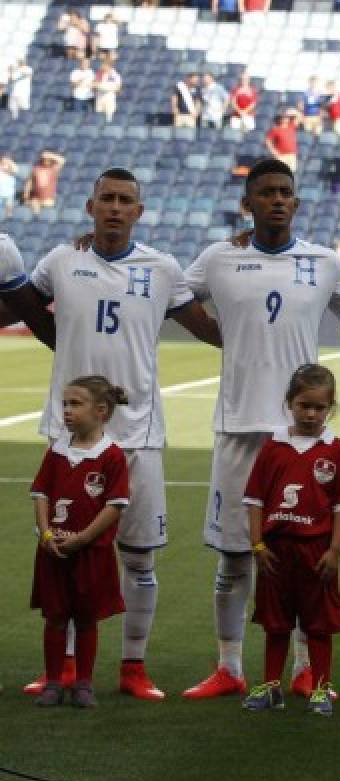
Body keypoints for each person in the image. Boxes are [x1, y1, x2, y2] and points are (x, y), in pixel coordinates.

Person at [16, 168, 222, 702]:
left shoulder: (163, 268)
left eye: (124, 200)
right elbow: (24, 308)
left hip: (137, 436)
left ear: (139, 211)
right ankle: (59, 669)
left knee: (139, 556)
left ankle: (133, 666)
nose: (114, 207)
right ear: (89, 207)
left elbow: (208, 327)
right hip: (69, 438)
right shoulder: (62, 261)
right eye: (105, 198)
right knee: (62, 552)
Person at [181, 159, 340, 700]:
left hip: (301, 438)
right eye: (264, 192)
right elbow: (169, 292)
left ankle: (303, 669)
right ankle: (229, 667)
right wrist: (218, 335)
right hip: (239, 429)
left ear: (296, 203)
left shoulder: (324, 262)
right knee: (233, 555)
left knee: (303, 556)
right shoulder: (220, 257)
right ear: (248, 203)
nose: (275, 200)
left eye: (284, 192)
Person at [241, 365, 340, 716]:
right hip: (276, 552)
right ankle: (270, 685)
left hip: (316, 552)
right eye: (303, 405)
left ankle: (321, 688)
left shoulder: (337, 451)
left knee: (318, 624)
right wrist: (258, 545)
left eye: (319, 407)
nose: (310, 414)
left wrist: (335, 551)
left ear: (330, 408)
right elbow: (256, 501)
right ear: (289, 403)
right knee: (276, 623)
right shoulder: (272, 447)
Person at [29, 376, 130, 709]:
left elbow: (115, 505)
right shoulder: (56, 450)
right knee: (55, 617)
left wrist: (83, 538)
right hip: (53, 552)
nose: (67, 411)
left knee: (86, 618)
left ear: (100, 410)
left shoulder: (112, 455)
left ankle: (84, 683)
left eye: (75, 404)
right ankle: (54, 681)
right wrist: (46, 534)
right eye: (65, 404)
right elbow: (41, 494)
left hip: (91, 554)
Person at [92, 57, 121, 124]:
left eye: (104, 65)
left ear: (108, 66)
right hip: (100, 98)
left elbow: (118, 88)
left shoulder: (115, 75)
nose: (102, 66)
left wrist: (107, 88)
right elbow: (94, 84)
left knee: (109, 117)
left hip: (109, 98)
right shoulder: (99, 74)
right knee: (98, 116)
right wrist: (99, 86)